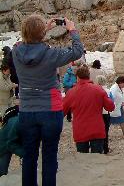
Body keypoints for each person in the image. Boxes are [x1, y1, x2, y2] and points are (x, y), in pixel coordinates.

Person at [13, 15, 84, 186]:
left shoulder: (16, 51)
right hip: (51, 110)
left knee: (29, 156)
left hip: (27, 111)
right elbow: (77, 51)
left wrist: (41, 31)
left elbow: (21, 42)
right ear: (42, 34)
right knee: (50, 156)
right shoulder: (51, 54)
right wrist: (72, 30)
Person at [63, 66, 115, 154]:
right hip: (97, 129)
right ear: (89, 76)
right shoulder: (98, 90)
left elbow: (61, 111)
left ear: (77, 77)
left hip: (80, 130)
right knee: (97, 160)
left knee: (83, 161)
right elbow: (111, 107)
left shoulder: (71, 92)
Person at [0, 105, 23, 177]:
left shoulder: (13, 120)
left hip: (4, 146)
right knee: (2, 172)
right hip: (3, 148)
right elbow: (11, 143)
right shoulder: (16, 121)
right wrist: (23, 153)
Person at [96, 75, 113, 154]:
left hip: (97, 114)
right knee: (105, 131)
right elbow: (112, 101)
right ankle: (105, 148)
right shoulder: (108, 91)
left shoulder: (95, 90)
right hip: (106, 113)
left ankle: (98, 148)